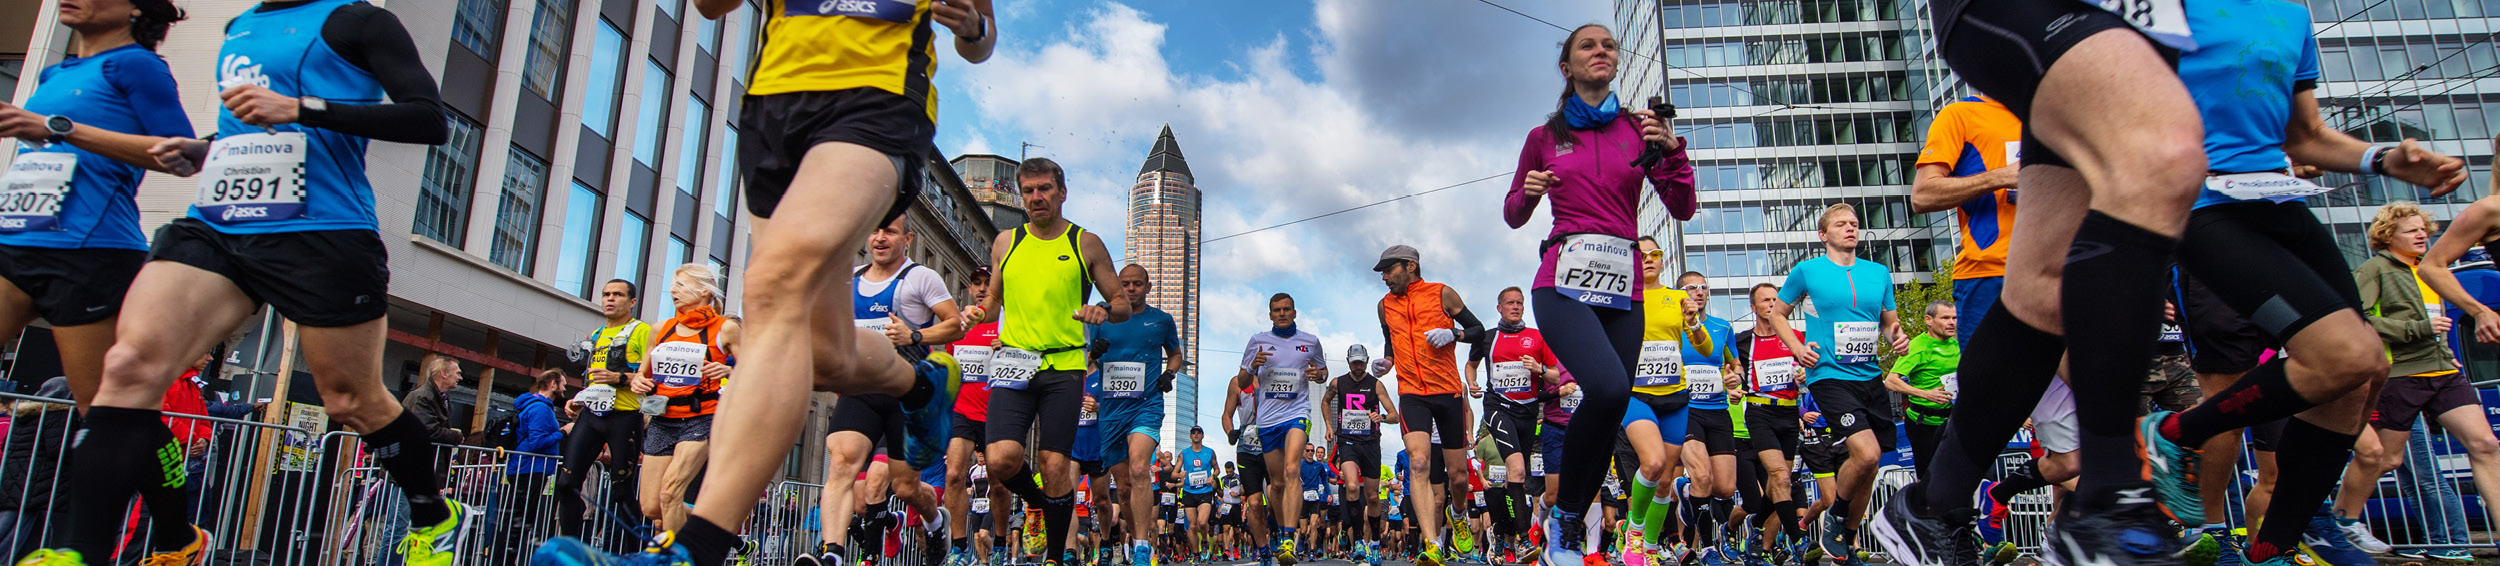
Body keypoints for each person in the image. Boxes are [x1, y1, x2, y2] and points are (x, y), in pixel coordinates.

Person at [532, 0, 1000, 561]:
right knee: (821, 354)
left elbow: (980, 39)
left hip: (875, 96)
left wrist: (972, 27)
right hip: (775, 105)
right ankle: (920, 387)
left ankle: (697, 546)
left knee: (773, 290)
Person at [56, 0, 458, 555]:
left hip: (321, 230)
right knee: (127, 368)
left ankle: (433, 514)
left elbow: (429, 119)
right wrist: (203, 147)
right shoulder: (238, 25)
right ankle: (83, 550)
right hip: (218, 223)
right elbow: (248, 126)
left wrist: (302, 107)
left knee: (351, 401)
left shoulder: (358, 21)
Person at [1501, 21, 1696, 566]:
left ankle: (1564, 523)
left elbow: (1682, 207)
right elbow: (1514, 213)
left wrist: (1672, 150)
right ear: (1567, 67)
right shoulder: (1544, 137)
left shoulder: (1640, 129)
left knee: (1609, 403)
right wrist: (1529, 192)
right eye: (1588, 45)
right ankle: (1564, 522)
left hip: (1623, 282)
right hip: (1561, 279)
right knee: (1609, 387)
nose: (1601, 51)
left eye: (1609, 44)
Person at [0, 0, 190, 418]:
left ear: (135, 9)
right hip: (17, 236)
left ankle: (164, 483)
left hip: (87, 249)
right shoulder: (56, 73)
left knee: (105, 410)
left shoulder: (137, 65)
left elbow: (180, 154)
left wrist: (57, 127)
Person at [960, 158, 1131, 566]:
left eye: (1044, 189)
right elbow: (995, 298)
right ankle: (1036, 502)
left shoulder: (1084, 243)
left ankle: (1055, 556)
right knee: (1000, 458)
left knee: (1055, 466)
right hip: (1014, 362)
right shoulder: (1006, 241)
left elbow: (1122, 303)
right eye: (1029, 191)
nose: (1036, 197)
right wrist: (978, 314)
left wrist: (1104, 310)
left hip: (1063, 366)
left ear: (1062, 193)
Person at [2334, 202, 2500, 553]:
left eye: (2423, 228)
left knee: (2485, 444)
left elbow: (2439, 320)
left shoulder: (2431, 270)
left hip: (2444, 371)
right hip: (2400, 376)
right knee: (2387, 459)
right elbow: (2356, 317)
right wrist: (2416, 328)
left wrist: (2442, 346)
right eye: (2411, 230)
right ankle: (2340, 519)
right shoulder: (2374, 269)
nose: (2422, 234)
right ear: (2388, 235)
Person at [812, 216, 965, 566]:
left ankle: (935, 519)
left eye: (890, 231)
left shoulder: (920, 278)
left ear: (906, 238)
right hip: (861, 389)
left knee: (905, 487)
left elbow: (954, 324)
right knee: (840, 464)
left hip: (906, 394)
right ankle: (832, 553)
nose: (881, 238)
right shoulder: (849, 279)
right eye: (875, 230)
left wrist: (913, 335)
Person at [1763, 203, 1901, 566]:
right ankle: (1837, 513)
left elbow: (1889, 323)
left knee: (1870, 465)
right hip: (1828, 374)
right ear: (1824, 235)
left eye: (1854, 224)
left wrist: (1896, 338)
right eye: (1840, 224)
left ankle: (1847, 542)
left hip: (1870, 376)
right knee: (1866, 452)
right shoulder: (1807, 271)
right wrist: (1796, 349)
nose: (1850, 229)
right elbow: (1778, 313)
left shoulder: (1879, 273)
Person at [1372, 243, 1492, 566]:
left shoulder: (1442, 294)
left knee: (1458, 477)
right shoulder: (1384, 306)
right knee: (1420, 462)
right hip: (1411, 393)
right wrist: (1386, 362)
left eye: (1389, 269)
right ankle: (1432, 544)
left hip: (1447, 391)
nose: (1384, 277)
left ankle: (1458, 514)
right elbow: (1390, 343)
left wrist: (1454, 333)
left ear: (1410, 266)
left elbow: (1480, 331)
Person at [1614, 237, 1711, 566]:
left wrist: (1695, 321)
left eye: (1655, 254)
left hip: (1675, 397)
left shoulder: (1678, 297)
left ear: (1663, 261)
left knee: (1666, 481)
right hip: (1637, 395)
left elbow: (1706, 348)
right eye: (1641, 255)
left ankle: (1652, 546)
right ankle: (1635, 531)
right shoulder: (1622, 300)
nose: (1649, 260)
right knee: (1652, 464)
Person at [632, 264, 742, 533]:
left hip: (701, 418)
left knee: (670, 494)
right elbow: (641, 374)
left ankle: (679, 560)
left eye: (681, 285)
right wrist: (639, 381)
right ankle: (712, 522)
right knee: (651, 507)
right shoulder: (660, 329)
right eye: (673, 285)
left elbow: (755, 370)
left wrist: (729, 369)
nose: (673, 290)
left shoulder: (725, 328)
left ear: (705, 291)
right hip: (662, 419)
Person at [1086, 264, 1183, 566]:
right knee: (1124, 488)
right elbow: (1084, 357)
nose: (1131, 289)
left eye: (1137, 284)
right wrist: (1094, 352)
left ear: (1148, 287)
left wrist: (1169, 373)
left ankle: (1142, 546)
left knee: (1141, 469)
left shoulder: (1161, 320)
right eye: (1125, 283)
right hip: (1111, 411)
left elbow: (1176, 353)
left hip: (1146, 405)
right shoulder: (1101, 318)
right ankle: (1136, 535)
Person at [1465, 285, 1560, 565]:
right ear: (1500, 308)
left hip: (1528, 411)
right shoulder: (1488, 338)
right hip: (1498, 407)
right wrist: (1472, 383)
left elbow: (1555, 376)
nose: (1516, 307)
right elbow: (1471, 365)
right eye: (1510, 303)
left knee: (1515, 478)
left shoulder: (1537, 338)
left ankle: (1499, 530)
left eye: (1519, 303)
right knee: (1517, 469)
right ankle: (1522, 538)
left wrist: (1539, 369)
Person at [1234, 292, 1328, 565]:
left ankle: (1289, 536)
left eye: (1287, 309)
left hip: (1297, 413)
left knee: (1291, 470)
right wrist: (1253, 365)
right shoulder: (1258, 341)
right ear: (1270, 314)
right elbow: (1242, 382)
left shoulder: (1310, 342)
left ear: (1295, 312)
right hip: (1268, 420)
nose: (1282, 314)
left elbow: (1322, 373)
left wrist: (1317, 375)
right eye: (1277, 310)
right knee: (1275, 484)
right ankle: (1280, 525)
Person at [557, 280, 652, 546]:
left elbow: (653, 377)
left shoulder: (642, 331)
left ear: (632, 302)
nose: (610, 299)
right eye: (606, 294)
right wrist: (578, 399)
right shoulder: (597, 333)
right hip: (592, 416)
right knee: (566, 484)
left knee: (622, 492)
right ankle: (571, 551)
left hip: (625, 417)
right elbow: (595, 380)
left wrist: (619, 377)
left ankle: (635, 554)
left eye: (618, 295)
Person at [1730, 283, 1810, 562]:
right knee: (1779, 476)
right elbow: (1733, 372)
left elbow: (1810, 369)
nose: (1771, 304)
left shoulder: (1794, 336)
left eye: (1776, 299)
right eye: (1765, 300)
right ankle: (1799, 541)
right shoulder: (1741, 341)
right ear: (1753, 307)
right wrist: (1734, 384)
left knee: (1782, 484)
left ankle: (1756, 522)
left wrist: (1804, 376)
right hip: (1759, 412)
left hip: (1789, 413)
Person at [1670, 271, 1738, 565]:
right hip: (1685, 409)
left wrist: (1734, 378)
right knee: (1704, 477)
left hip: (1718, 410)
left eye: (1703, 287)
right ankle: (1708, 547)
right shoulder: (1671, 327)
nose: (1699, 292)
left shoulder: (1723, 327)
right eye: (1691, 288)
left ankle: (1685, 491)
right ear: (1680, 295)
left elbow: (1734, 366)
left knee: (1724, 488)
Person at [944, 268, 1004, 566]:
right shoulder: (958, 324)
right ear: (969, 288)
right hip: (961, 411)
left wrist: (1008, 348)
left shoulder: (1008, 323)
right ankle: (958, 547)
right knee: (954, 475)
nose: (982, 289)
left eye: (988, 285)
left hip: (996, 413)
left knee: (998, 482)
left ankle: (1002, 542)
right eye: (977, 284)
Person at [1325, 343, 1398, 564]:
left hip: (1370, 443)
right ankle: (1358, 540)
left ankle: (1374, 541)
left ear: (1367, 362)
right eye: (1354, 362)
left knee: (1373, 496)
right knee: (1353, 487)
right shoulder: (1338, 383)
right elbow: (1325, 401)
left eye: (1361, 363)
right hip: (1347, 441)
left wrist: (1382, 417)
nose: (1358, 367)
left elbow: (1394, 414)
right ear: (1348, 361)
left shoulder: (1376, 385)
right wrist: (1329, 425)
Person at [496, 370, 568, 566]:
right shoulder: (541, 409)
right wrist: (562, 432)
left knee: (518, 519)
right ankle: (504, 560)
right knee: (518, 521)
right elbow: (536, 441)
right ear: (552, 384)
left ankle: (505, 559)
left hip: (527, 468)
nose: (564, 388)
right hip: (530, 468)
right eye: (562, 384)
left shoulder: (535, 406)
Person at [1882, 303, 1958, 479]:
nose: (1951, 323)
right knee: (1929, 480)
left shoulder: (1956, 346)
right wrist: (1927, 394)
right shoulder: (1918, 346)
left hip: (1952, 420)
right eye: (1945, 318)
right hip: (1923, 423)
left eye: (1954, 318)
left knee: (1959, 476)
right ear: (1928, 320)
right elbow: (1891, 382)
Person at [406, 355, 470, 445]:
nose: (460, 378)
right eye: (458, 373)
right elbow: (428, 430)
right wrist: (456, 436)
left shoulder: (441, 398)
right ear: (444, 374)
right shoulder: (423, 397)